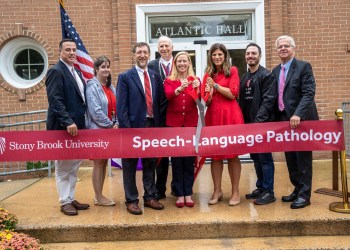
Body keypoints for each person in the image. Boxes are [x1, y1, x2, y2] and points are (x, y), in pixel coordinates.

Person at [116, 42, 165, 215]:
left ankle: (150, 196)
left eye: (145, 52)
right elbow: (121, 107)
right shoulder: (125, 77)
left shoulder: (154, 76)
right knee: (129, 164)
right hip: (133, 127)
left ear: (149, 54)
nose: (142, 55)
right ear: (134, 55)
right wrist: (126, 131)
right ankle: (131, 200)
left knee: (150, 162)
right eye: (139, 52)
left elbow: (160, 104)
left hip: (152, 126)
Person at [272, 35, 319, 209]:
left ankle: (305, 196)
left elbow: (309, 92)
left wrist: (298, 113)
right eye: (279, 47)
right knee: (290, 159)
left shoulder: (304, 67)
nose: (283, 49)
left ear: (293, 48)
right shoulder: (276, 71)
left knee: (303, 160)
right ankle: (297, 189)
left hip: (302, 121)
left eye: (286, 46)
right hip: (285, 121)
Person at [45, 38, 90, 216]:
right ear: (60, 52)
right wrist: (67, 121)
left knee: (74, 166)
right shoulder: (56, 71)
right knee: (63, 167)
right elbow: (55, 101)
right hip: (64, 128)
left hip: (79, 128)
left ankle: (71, 198)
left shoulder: (76, 72)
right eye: (68, 50)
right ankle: (64, 202)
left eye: (74, 50)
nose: (72, 53)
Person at [203, 43, 244, 206]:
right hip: (213, 117)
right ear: (210, 57)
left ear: (225, 56)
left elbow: (233, 94)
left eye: (220, 54)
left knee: (232, 155)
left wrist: (216, 86)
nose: (217, 57)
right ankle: (217, 190)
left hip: (230, 117)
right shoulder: (208, 74)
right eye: (214, 55)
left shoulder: (232, 71)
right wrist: (208, 94)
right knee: (215, 156)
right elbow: (206, 101)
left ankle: (235, 191)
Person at [239, 43, 277, 205]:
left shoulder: (266, 76)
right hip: (249, 126)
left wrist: (257, 123)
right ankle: (261, 187)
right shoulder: (245, 77)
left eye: (254, 53)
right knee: (255, 156)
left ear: (259, 56)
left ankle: (269, 191)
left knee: (265, 158)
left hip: (262, 125)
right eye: (248, 54)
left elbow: (268, 101)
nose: (250, 56)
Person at [163, 51, 200, 208]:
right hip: (174, 125)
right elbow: (168, 95)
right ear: (175, 64)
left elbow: (200, 101)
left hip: (190, 125)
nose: (182, 64)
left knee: (189, 160)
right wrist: (179, 89)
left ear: (189, 63)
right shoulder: (169, 80)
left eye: (185, 61)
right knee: (177, 161)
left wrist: (197, 89)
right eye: (179, 61)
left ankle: (188, 193)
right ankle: (179, 194)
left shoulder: (195, 80)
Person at [85, 56, 118, 206]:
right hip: (98, 131)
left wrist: (116, 122)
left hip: (110, 130)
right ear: (96, 69)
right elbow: (95, 111)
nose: (106, 69)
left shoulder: (110, 87)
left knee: (104, 162)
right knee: (98, 163)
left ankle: (100, 194)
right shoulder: (92, 86)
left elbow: (117, 106)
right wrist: (111, 124)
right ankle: (98, 197)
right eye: (103, 67)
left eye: (107, 66)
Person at [147, 36, 173, 200]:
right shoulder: (151, 66)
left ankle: (178, 189)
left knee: (177, 153)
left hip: (176, 115)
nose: (164, 48)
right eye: (161, 46)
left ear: (172, 47)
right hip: (158, 116)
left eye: (166, 46)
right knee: (160, 155)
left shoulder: (180, 62)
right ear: (158, 49)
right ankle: (160, 190)